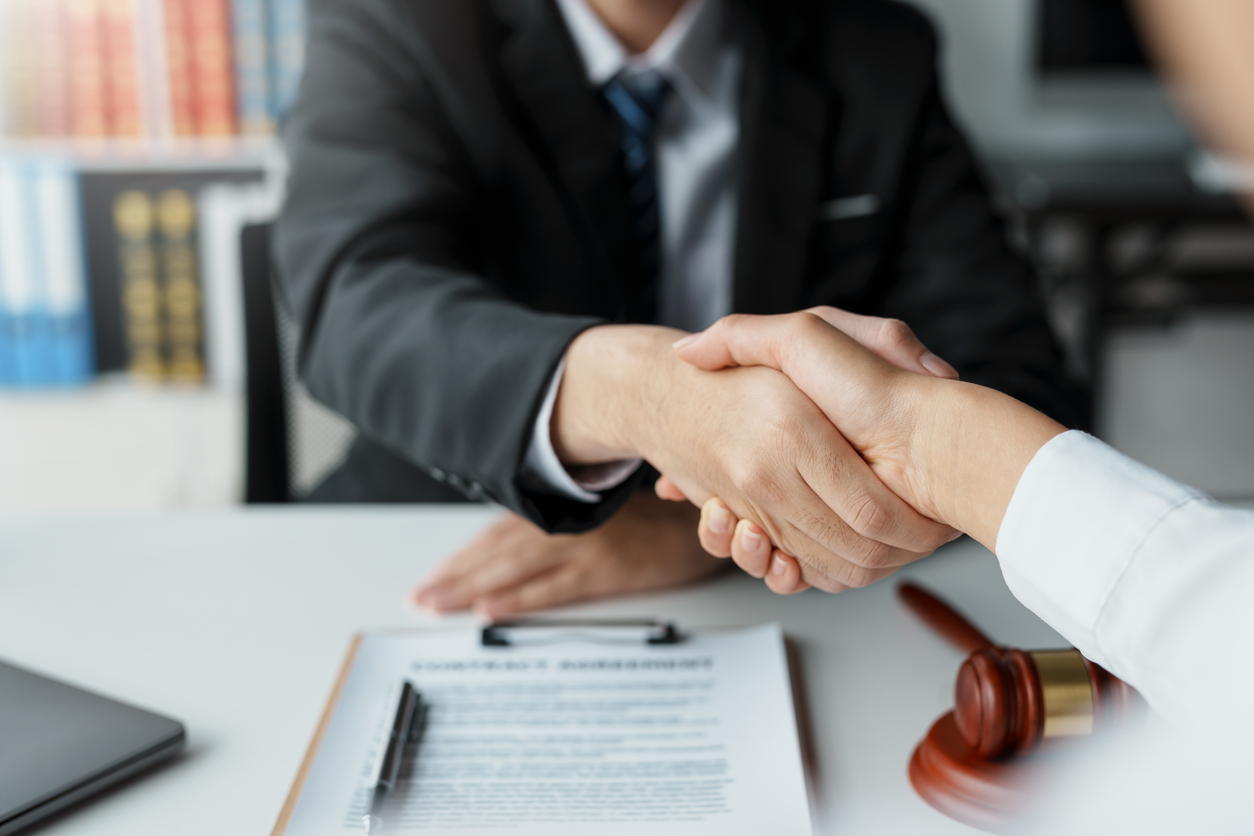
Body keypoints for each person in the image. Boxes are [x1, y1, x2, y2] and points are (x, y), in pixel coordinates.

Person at [275, 0, 1083, 617]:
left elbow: (1010, 377)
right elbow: (354, 293)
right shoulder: (398, 22)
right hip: (448, 544)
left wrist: (718, 517)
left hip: (786, 592)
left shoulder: (872, 48)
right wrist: (642, 396)